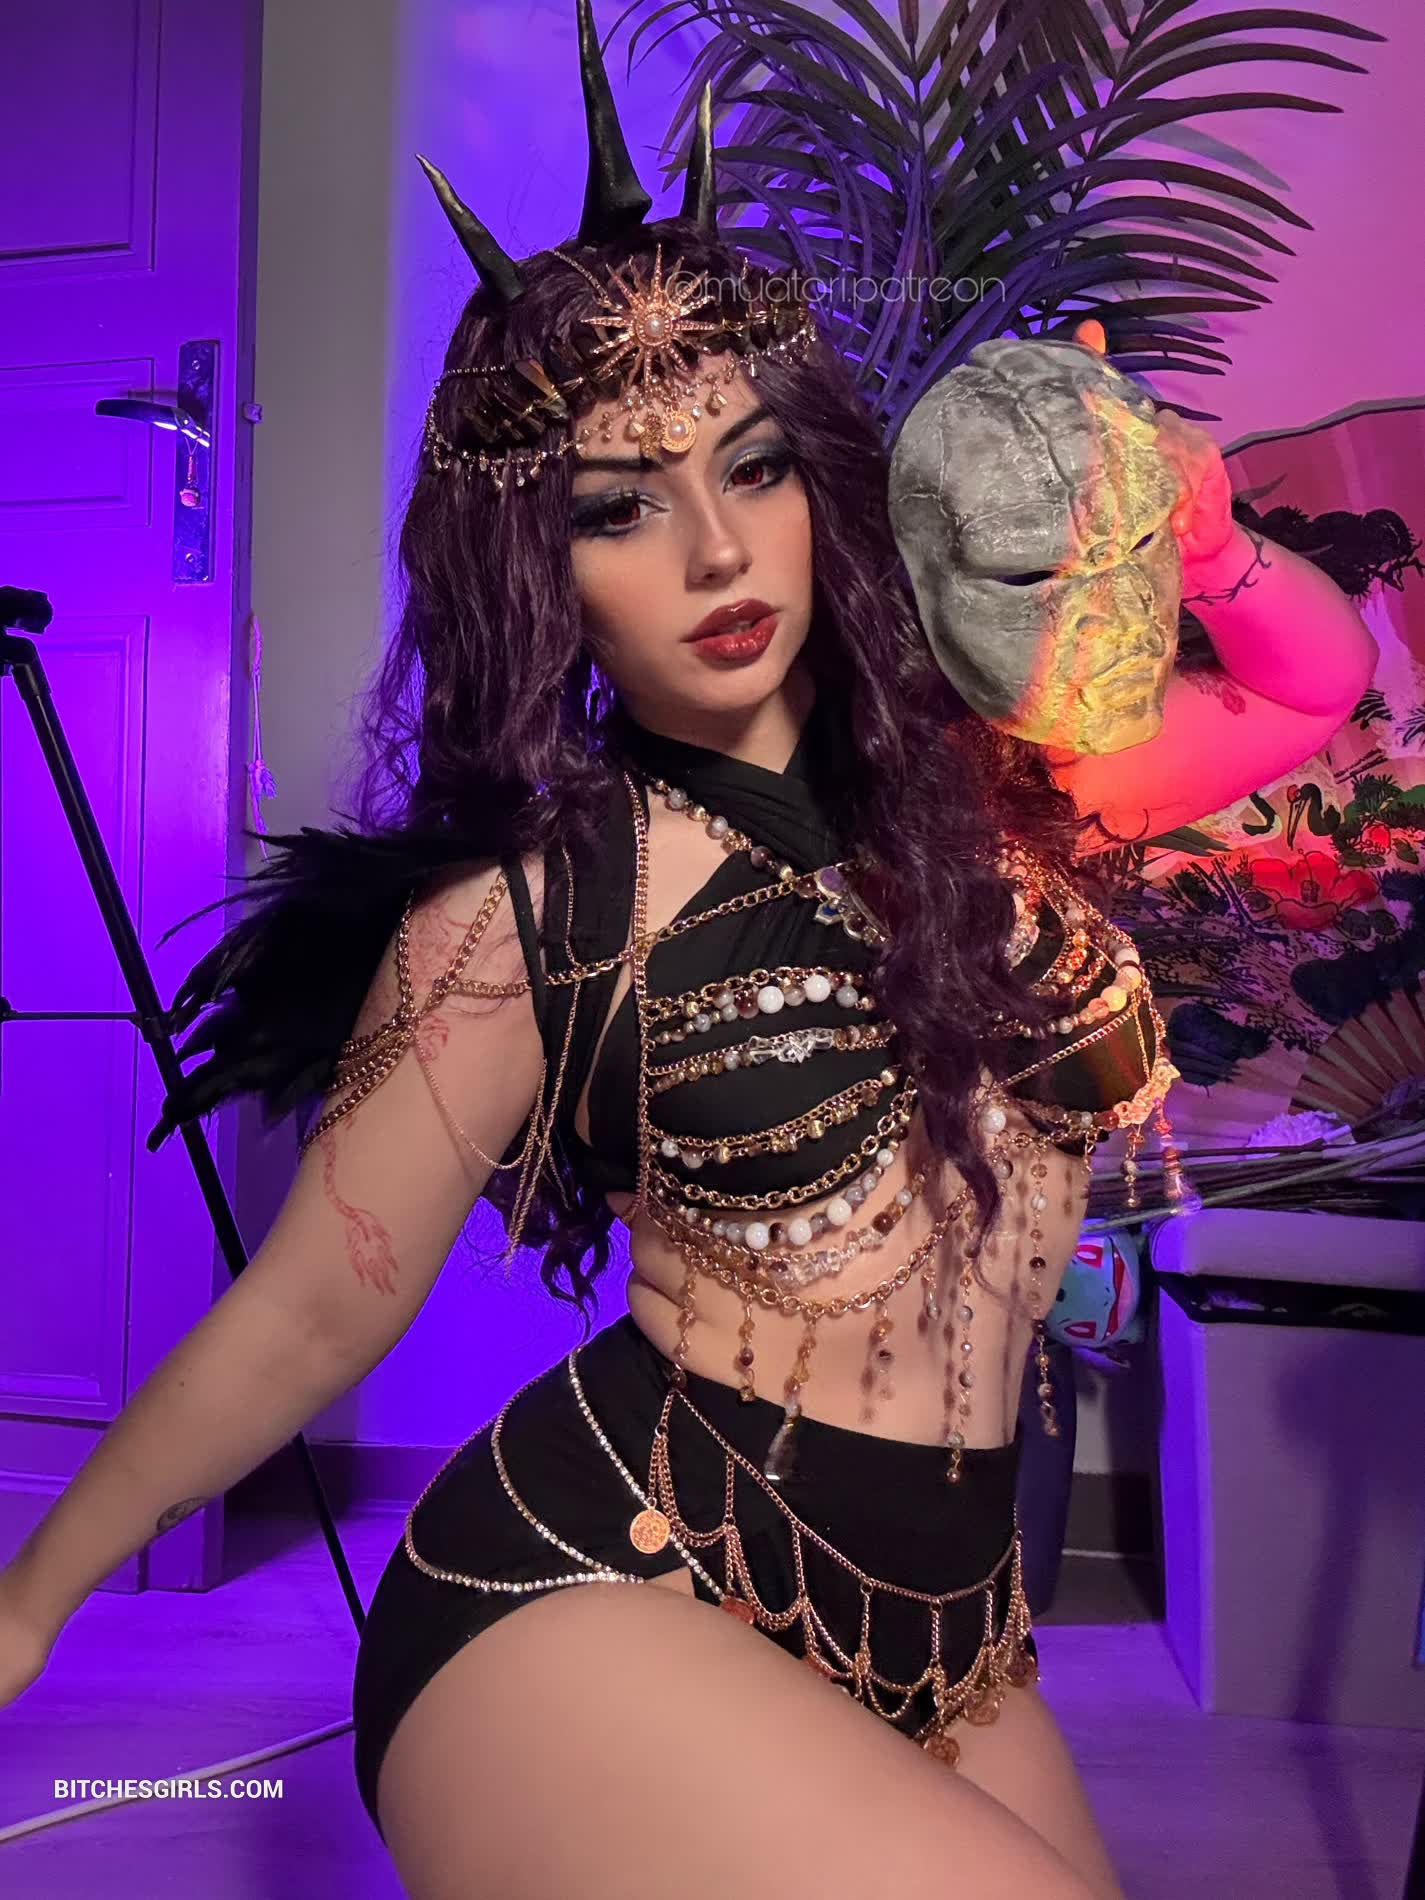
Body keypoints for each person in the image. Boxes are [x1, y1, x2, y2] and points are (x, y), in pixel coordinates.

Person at [0, 12, 1376, 1899]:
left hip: (950, 1634)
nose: (719, 552)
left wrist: (1199, 532)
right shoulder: (523, 923)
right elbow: (310, 1315)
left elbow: (1310, 688)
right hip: (601, 1583)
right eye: (621, 508)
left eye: (757, 468)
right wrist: (31, 1599)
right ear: (540, 568)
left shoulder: (1003, 775)